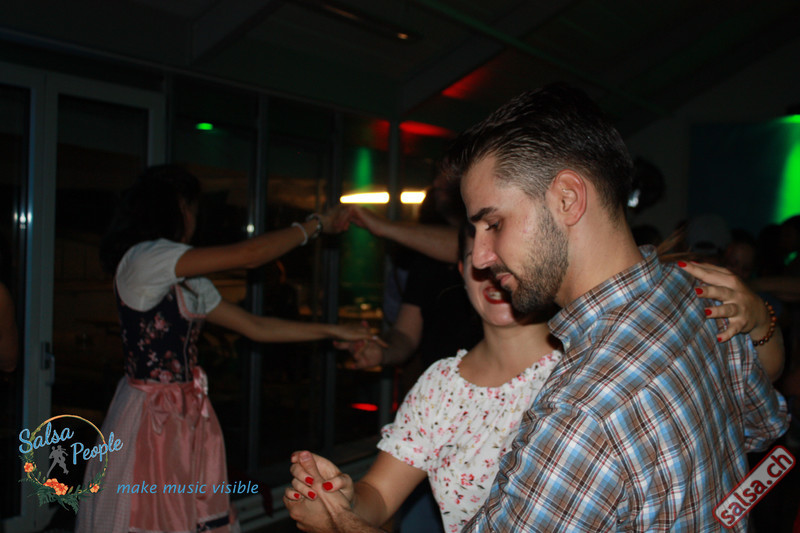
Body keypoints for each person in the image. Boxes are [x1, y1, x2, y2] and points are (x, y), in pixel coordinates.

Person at [287, 85, 789, 531]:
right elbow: (762, 424)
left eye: (494, 223)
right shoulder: (687, 294)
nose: (481, 258)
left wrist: (340, 525)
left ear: (568, 198)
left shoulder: (582, 408)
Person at [283, 231, 784, 533]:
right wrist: (343, 499)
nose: (493, 277)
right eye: (479, 264)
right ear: (462, 269)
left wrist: (761, 320)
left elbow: (755, 394)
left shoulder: (590, 361)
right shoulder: (440, 387)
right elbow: (378, 495)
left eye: (505, 263)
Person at [75, 165, 373, 533]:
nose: (194, 220)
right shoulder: (144, 259)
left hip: (185, 415)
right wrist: (316, 224)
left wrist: (332, 329)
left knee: (181, 511)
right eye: (192, 209)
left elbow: (256, 326)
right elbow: (250, 254)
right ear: (179, 208)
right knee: (152, 513)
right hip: (153, 417)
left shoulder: (184, 278)